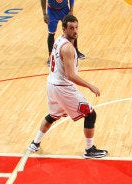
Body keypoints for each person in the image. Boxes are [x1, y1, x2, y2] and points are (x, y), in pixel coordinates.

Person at [28, 14, 107, 158]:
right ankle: (89, 150)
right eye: (71, 28)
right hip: (62, 87)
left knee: (53, 115)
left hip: (51, 84)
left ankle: (35, 143)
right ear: (64, 29)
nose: (75, 31)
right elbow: (70, 76)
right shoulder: (68, 48)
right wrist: (90, 86)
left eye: (76, 27)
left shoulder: (58, 40)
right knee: (90, 114)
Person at [40, 0, 85, 66]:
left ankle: (76, 51)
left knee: (72, 30)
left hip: (64, 9)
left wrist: (71, 10)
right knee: (51, 33)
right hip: (51, 11)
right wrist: (44, 13)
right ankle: (51, 57)